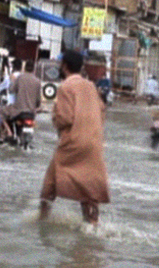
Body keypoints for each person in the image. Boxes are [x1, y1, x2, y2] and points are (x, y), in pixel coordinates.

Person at [39, 50, 110, 226]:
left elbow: (65, 118)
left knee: (49, 185)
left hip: (72, 144)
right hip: (93, 143)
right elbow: (102, 111)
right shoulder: (91, 86)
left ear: (64, 66)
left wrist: (54, 116)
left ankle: (42, 219)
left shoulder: (66, 86)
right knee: (89, 188)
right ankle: (93, 223)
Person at [0, 60, 41, 140]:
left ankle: (9, 133)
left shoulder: (20, 78)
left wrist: (12, 81)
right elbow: (38, 101)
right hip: (31, 113)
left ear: (24, 68)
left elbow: (12, 90)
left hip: (19, 111)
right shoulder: (37, 81)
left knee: (1, 112)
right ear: (33, 69)